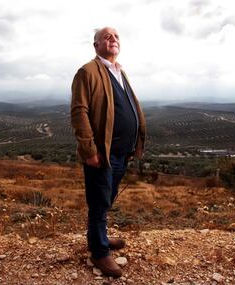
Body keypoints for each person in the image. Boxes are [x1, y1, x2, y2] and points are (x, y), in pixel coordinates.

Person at [70, 27, 146, 278]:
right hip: (102, 153)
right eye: (106, 36)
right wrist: (89, 149)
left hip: (122, 153)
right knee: (99, 200)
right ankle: (99, 251)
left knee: (106, 198)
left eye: (116, 36)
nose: (113, 39)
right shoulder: (87, 72)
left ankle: (98, 236)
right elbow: (79, 111)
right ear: (96, 45)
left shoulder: (119, 71)